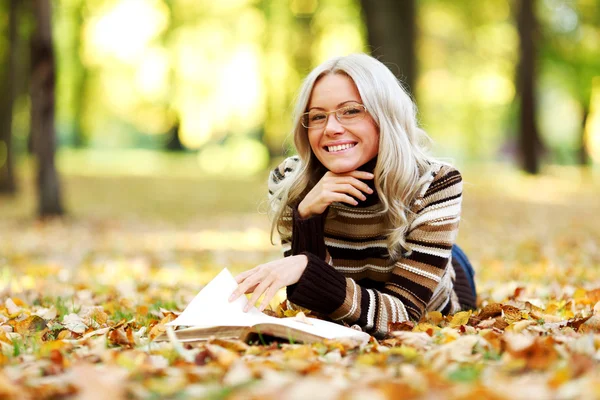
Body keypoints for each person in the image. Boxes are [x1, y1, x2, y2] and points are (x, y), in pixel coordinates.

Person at [229, 53, 477, 338]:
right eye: (318, 116)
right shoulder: (289, 181)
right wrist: (307, 217)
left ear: (385, 115)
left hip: (441, 281)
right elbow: (310, 305)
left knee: (447, 267)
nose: (331, 128)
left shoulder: (435, 182)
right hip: (357, 286)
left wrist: (307, 266)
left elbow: (402, 318)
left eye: (350, 111)